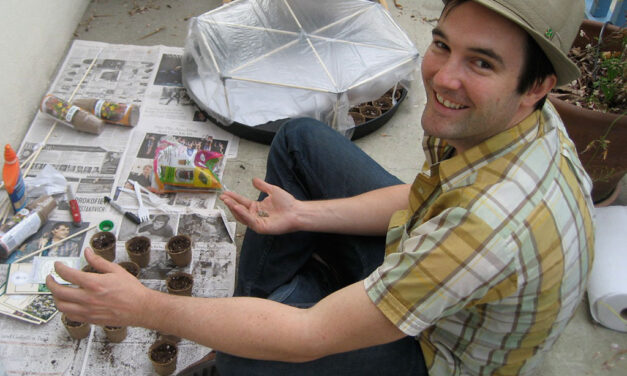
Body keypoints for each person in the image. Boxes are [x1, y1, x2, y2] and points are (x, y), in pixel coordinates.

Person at [46, 1, 594, 375]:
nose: (444, 79)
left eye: (481, 63)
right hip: (447, 265)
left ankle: (264, 323)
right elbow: (421, 199)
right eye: (443, 45)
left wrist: (144, 305)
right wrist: (304, 216)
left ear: (537, 86)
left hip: (442, 352)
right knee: (300, 140)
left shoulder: (486, 226)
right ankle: (267, 307)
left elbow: (311, 336)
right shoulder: (514, 121)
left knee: (251, 358)